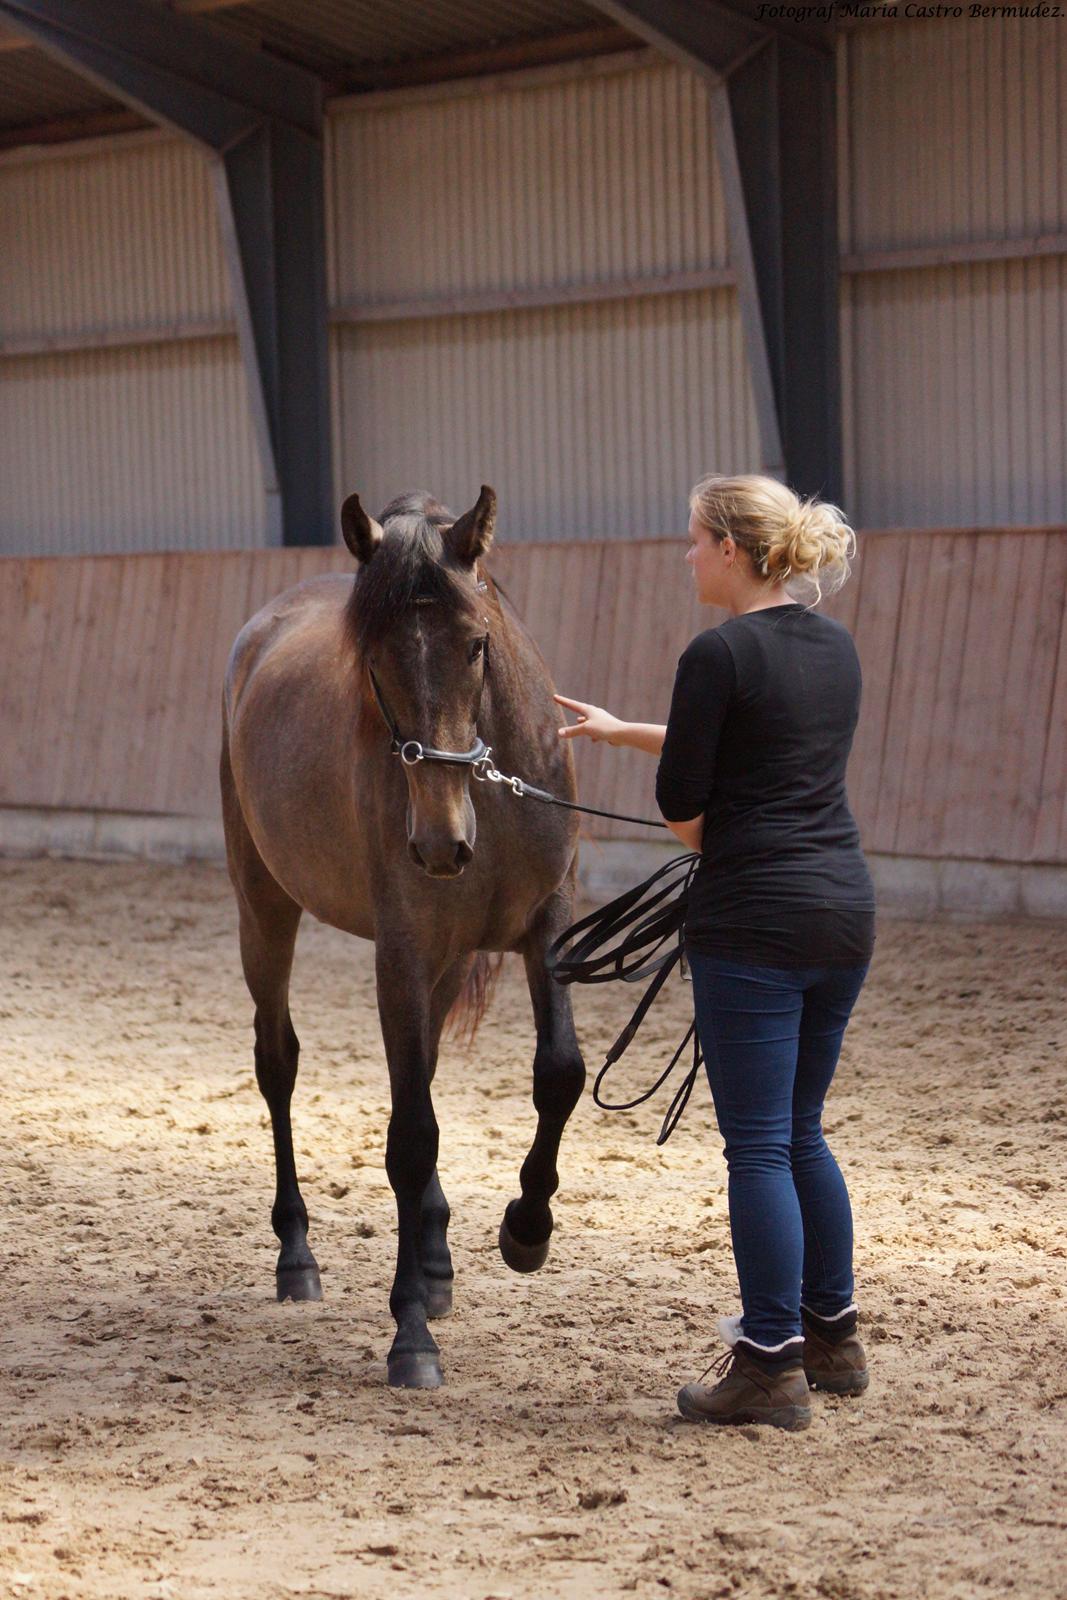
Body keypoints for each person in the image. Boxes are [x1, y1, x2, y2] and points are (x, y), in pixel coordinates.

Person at [555, 473, 875, 1433]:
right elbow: (756, 750)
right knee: (802, 1129)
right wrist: (621, 731)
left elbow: (688, 815)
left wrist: (707, 825)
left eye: (693, 541)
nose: (685, 556)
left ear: (731, 551)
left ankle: (767, 1362)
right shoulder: (833, 646)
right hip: (841, 909)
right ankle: (832, 1337)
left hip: (755, 920)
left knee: (758, 1145)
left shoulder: (715, 652)